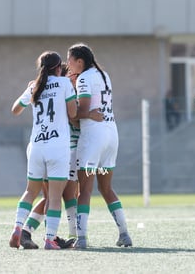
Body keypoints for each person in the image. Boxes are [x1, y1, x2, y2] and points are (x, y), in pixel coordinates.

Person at [9, 51, 77, 250]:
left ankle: (17, 228)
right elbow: (72, 113)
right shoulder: (64, 83)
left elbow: (15, 109)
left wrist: (30, 92)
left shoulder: (34, 86)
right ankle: (49, 239)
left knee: (30, 191)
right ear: (58, 68)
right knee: (55, 198)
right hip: (58, 147)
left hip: (37, 146)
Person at [67, 43, 133, 248]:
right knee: (106, 188)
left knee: (84, 190)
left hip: (93, 138)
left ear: (80, 61)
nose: (67, 64)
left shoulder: (85, 78)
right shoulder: (104, 75)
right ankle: (124, 234)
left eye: (69, 60)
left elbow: (83, 110)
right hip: (111, 136)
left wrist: (70, 110)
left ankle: (82, 238)